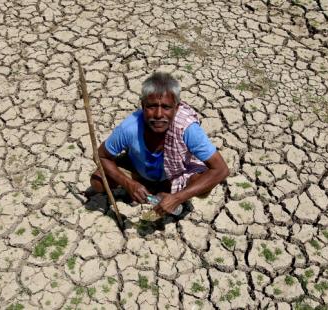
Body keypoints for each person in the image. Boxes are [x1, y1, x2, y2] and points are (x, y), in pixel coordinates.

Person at [90, 72, 229, 216]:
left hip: (175, 174)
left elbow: (221, 170)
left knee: (203, 183)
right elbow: (101, 156)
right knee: (98, 180)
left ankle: (168, 193)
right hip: (139, 171)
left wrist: (178, 198)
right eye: (151, 106)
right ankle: (147, 189)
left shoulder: (187, 128)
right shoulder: (130, 127)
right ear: (143, 106)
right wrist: (128, 183)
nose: (158, 114)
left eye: (166, 107)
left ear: (177, 107)